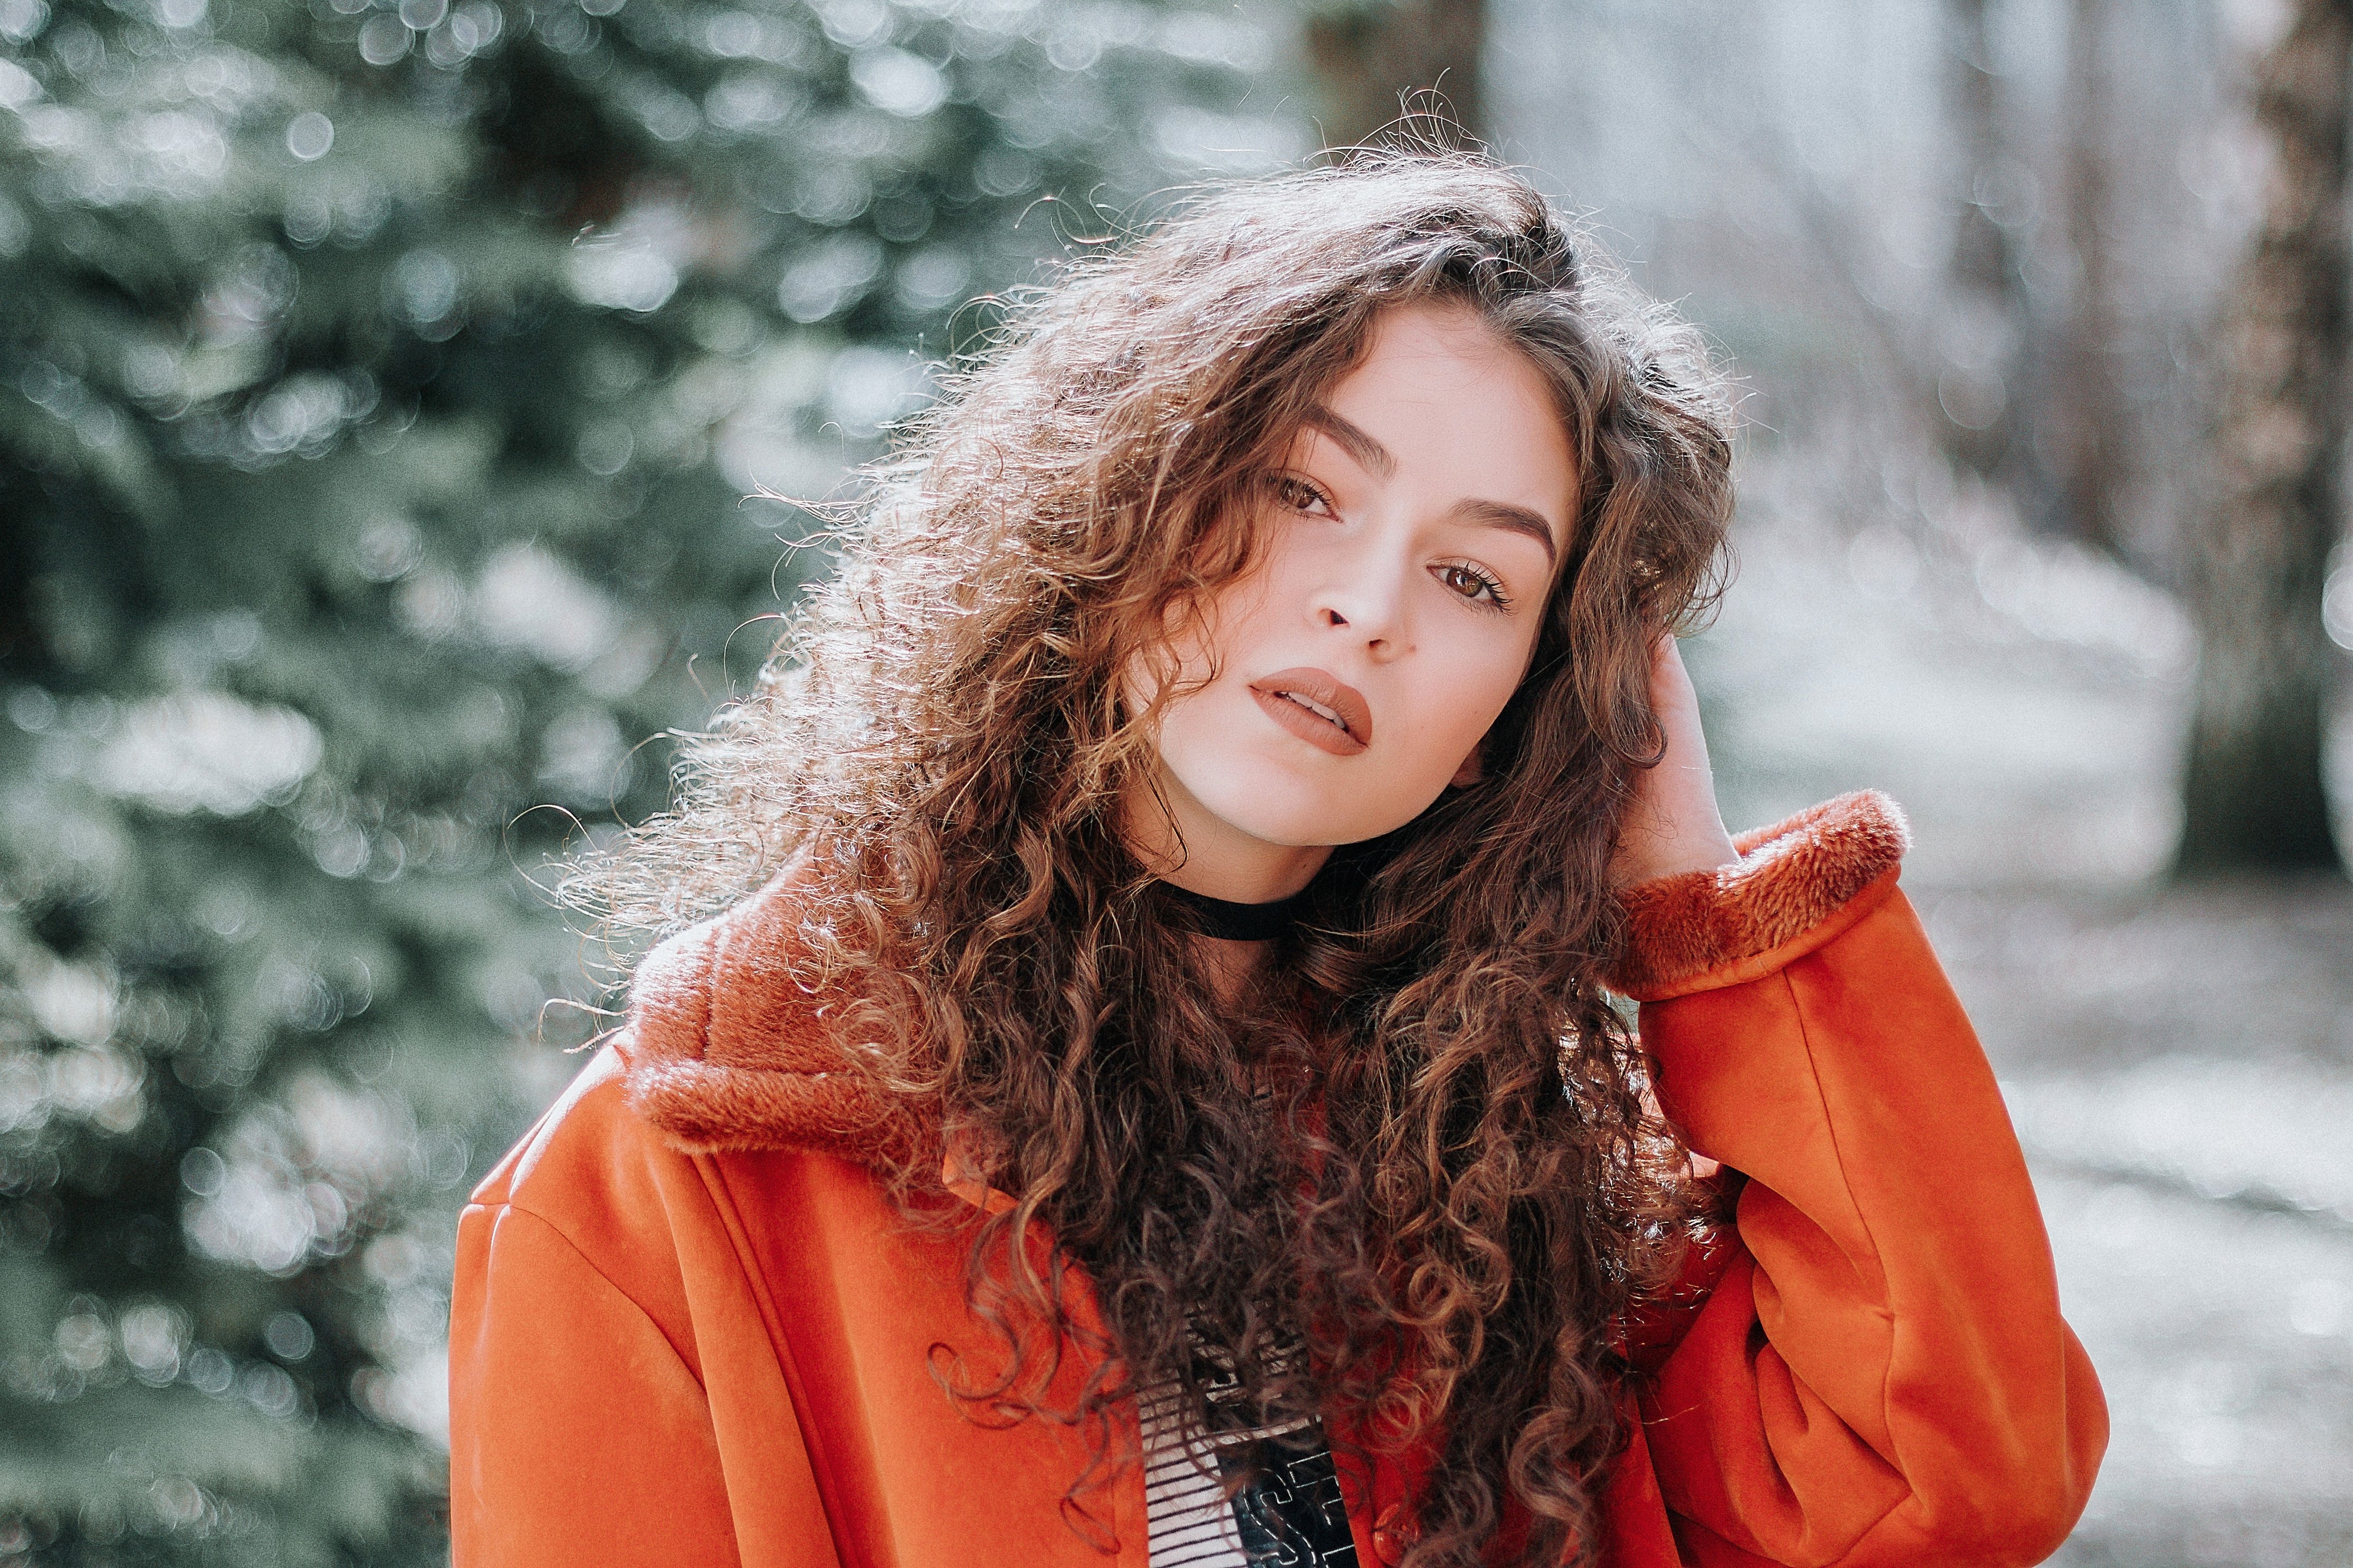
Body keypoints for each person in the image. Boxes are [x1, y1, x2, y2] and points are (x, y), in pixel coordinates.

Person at [446, 151, 2106, 1568]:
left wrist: (1704, 923)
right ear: (1120, 493)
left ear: (1524, 711)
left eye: (1476, 584)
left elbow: (1951, 1478)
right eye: (1306, 487)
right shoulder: (679, 1178)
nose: (1366, 605)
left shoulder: (1501, 1166)